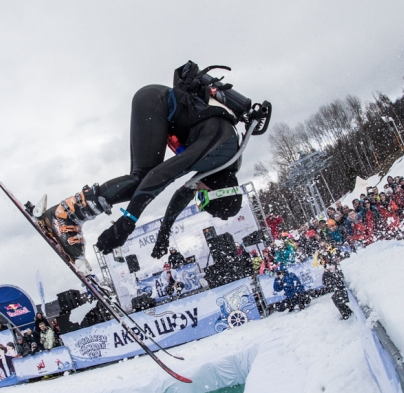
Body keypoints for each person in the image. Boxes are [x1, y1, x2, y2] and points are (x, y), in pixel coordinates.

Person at [38, 61, 269, 271]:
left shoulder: (220, 166)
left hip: (157, 107)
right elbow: (162, 175)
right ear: (218, 190)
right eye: (203, 198)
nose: (197, 195)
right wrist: (127, 222)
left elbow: (180, 196)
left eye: (199, 201)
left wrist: (164, 233)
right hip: (154, 101)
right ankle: (64, 214)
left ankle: (67, 214)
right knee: (143, 179)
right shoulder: (220, 145)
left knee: (141, 183)